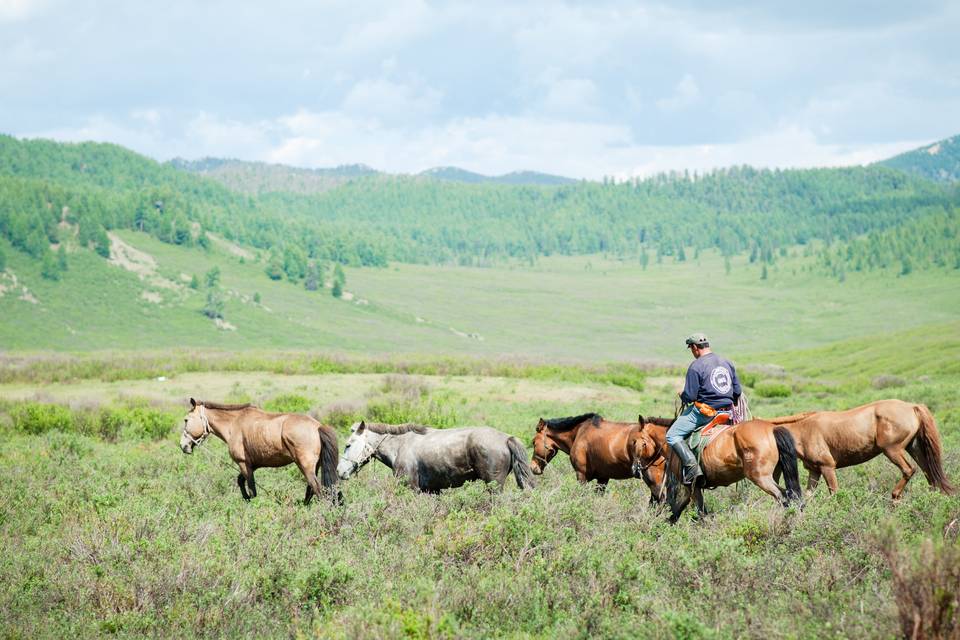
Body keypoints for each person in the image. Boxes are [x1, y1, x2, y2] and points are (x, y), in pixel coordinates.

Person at [666, 333, 742, 485]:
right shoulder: (727, 362)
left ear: (694, 347)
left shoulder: (696, 366)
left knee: (672, 435)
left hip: (705, 413)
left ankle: (692, 468)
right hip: (727, 412)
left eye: (691, 349)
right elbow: (737, 392)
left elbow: (691, 396)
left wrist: (683, 395)